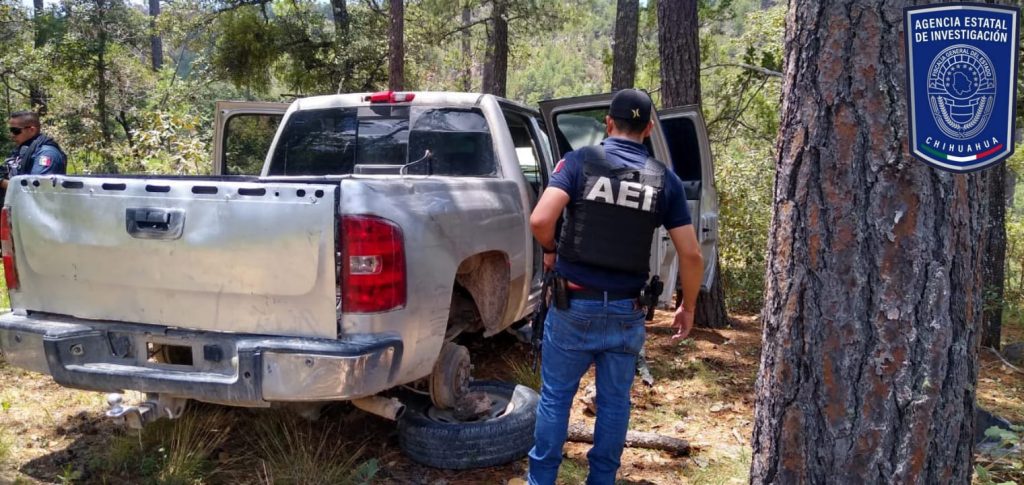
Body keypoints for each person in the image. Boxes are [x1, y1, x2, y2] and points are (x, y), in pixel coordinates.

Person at [526, 89, 703, 485]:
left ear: (608, 124)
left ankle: (541, 480)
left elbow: (540, 220)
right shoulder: (665, 180)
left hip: (573, 306)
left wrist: (551, 251)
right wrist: (687, 306)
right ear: (649, 129)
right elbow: (691, 255)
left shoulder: (578, 162)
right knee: (614, 404)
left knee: (555, 398)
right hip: (626, 311)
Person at [3, 111, 67, 195]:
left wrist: (2, 182)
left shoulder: (46, 153)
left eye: (15, 131)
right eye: (10, 130)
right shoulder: (23, 150)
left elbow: (37, 188)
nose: (12, 135)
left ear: (32, 130)